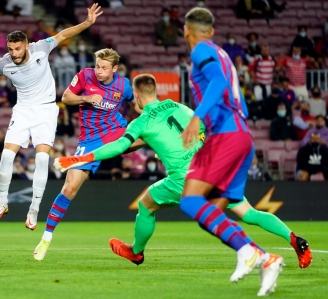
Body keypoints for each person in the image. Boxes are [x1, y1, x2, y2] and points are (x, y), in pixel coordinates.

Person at [54, 74, 310, 273]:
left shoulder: (141, 122)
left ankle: (136, 252)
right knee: (249, 213)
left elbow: (120, 146)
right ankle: (294, 239)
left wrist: (82, 157)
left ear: (139, 98)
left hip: (186, 179)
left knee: (146, 205)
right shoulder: (180, 107)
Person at [0, 3, 103, 229]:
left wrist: (87, 23)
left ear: (26, 45)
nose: (14, 53)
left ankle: (34, 209)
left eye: (17, 49)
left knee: (42, 159)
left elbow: (64, 34)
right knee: (7, 156)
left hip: (46, 109)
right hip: (23, 110)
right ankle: (3, 202)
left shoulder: (41, 48)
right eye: (10, 49)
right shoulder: (4, 63)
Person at [176, 8, 283, 295]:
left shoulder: (200, 50)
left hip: (226, 135)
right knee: (212, 212)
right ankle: (265, 258)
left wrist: (198, 115)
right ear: (211, 30)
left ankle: (251, 254)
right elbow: (236, 96)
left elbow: (218, 83)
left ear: (187, 30)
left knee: (189, 202)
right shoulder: (223, 54)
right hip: (242, 136)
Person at [33, 47, 142, 261]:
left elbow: (137, 105)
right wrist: (87, 97)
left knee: (148, 134)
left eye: (103, 68)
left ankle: (165, 150)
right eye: (97, 66)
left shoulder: (123, 85)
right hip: (90, 140)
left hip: (116, 131)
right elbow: (66, 97)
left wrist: (150, 112)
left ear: (114, 69)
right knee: (69, 188)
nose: (98, 71)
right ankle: (46, 237)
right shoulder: (85, 76)